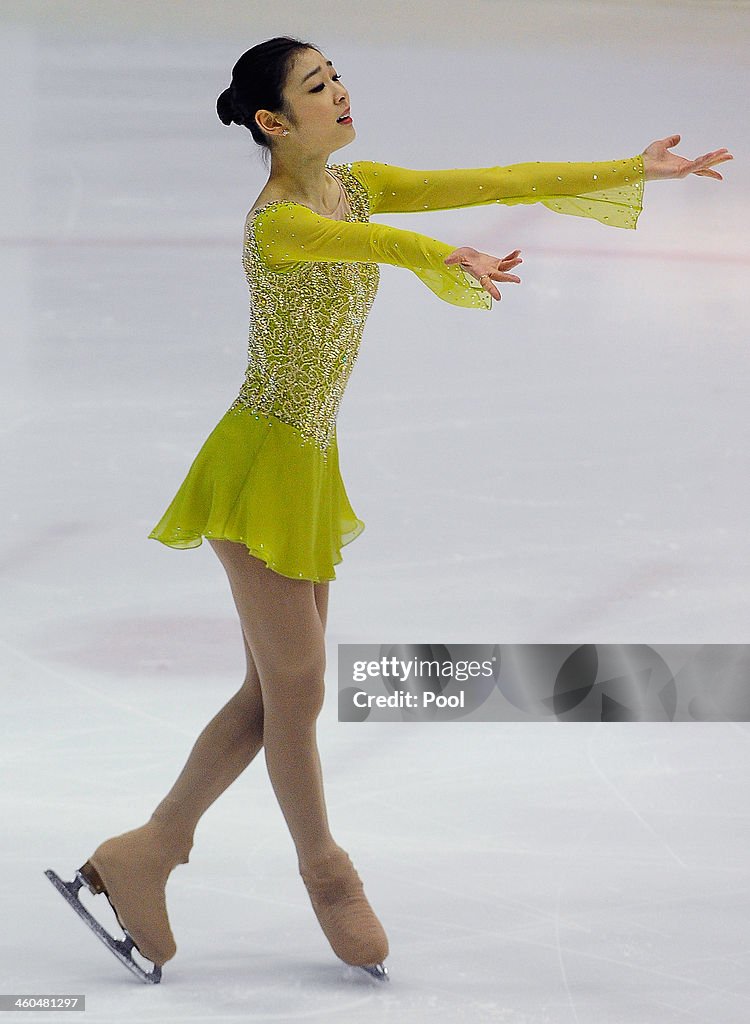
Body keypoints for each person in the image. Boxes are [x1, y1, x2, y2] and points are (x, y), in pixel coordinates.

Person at [63, 36, 733, 981]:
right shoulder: (278, 223)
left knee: (274, 695)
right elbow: (364, 244)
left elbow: (500, 177)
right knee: (296, 694)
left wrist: (633, 169)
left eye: (336, 78)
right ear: (272, 122)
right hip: (255, 467)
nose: (340, 94)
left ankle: (147, 852)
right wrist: (435, 251)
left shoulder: (362, 182)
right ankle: (327, 877)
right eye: (315, 87)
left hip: (306, 467)